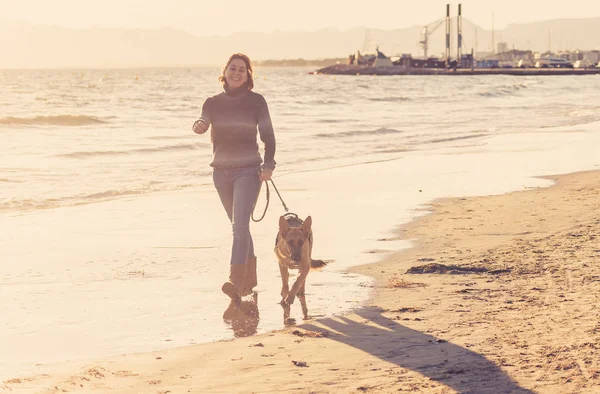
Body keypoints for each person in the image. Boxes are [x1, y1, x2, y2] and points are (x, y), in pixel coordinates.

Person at [192, 53, 276, 307]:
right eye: (232, 68)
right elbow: (203, 120)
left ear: (248, 74)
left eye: (242, 69)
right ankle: (250, 280)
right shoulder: (212, 102)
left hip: (249, 172)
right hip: (221, 173)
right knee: (239, 227)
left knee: (239, 227)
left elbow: (268, 136)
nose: (236, 72)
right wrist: (199, 125)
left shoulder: (257, 102)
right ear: (225, 71)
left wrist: (269, 164)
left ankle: (236, 282)